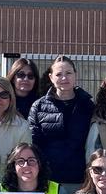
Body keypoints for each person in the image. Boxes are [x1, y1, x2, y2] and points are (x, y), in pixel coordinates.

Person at [29, 55, 94, 185]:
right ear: (51, 77)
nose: (64, 78)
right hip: (47, 180)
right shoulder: (39, 106)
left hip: (79, 179)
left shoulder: (88, 105)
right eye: (59, 74)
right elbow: (33, 143)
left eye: (68, 73)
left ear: (75, 75)